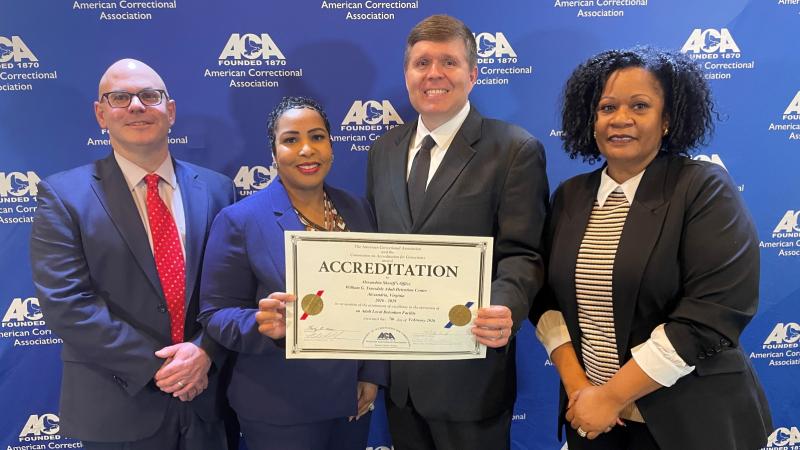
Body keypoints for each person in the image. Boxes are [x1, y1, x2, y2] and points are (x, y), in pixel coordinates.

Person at [530, 46, 772, 449]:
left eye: (639, 106)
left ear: (667, 120)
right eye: (607, 107)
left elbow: (709, 316)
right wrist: (581, 390)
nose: (620, 119)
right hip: (594, 421)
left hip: (691, 424)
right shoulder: (570, 196)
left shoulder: (703, 188)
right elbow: (545, 299)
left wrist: (611, 396)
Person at [29, 59, 235, 449]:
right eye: (120, 97)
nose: (137, 106)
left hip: (207, 401)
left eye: (149, 96)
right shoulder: (63, 196)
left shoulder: (218, 189)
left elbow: (234, 289)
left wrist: (205, 351)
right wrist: (162, 367)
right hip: (117, 405)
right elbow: (66, 304)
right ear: (100, 114)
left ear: (170, 111)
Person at [366, 14, 549, 450]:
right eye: (422, 63)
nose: (434, 73)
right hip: (401, 378)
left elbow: (523, 254)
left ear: (473, 74)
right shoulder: (383, 150)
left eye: (448, 62)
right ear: (407, 75)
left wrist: (505, 307)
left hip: (471, 375)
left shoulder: (514, 150)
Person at [198, 96, 387, 450]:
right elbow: (214, 314)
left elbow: (375, 298)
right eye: (290, 139)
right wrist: (262, 324)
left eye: (317, 137)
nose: (306, 149)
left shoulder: (357, 209)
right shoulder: (240, 220)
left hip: (350, 400)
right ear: (273, 153)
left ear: (331, 146)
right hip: (280, 406)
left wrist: (371, 373)